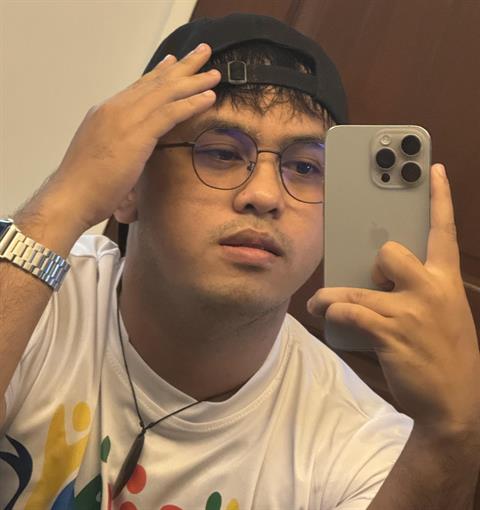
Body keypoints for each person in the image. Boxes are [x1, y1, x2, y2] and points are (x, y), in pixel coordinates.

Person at [0, 12, 478, 510]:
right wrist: (64, 202)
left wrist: (452, 438)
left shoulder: (367, 449)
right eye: (222, 153)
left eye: (305, 166)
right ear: (130, 185)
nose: (266, 195)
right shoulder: (34, 303)